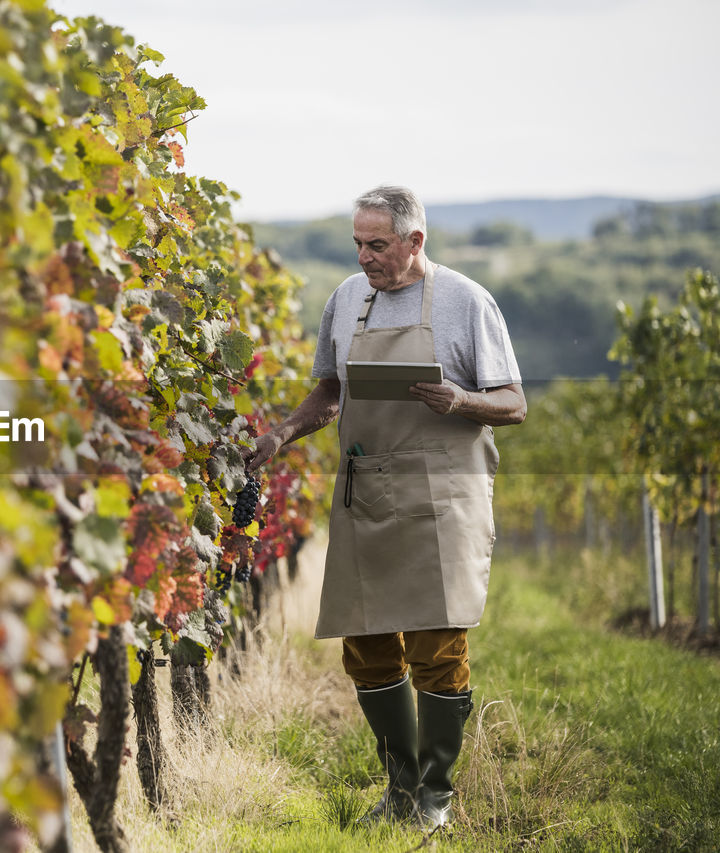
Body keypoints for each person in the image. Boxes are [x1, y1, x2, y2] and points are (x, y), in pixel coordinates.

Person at [244, 185, 526, 828]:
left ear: (414, 241)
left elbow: (514, 404)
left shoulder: (465, 301)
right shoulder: (347, 300)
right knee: (366, 644)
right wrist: (283, 432)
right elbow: (330, 391)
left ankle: (436, 794)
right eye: (358, 244)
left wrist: (459, 400)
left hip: (441, 496)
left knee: (436, 643)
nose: (365, 257)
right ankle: (399, 787)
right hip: (366, 490)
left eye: (377, 244)